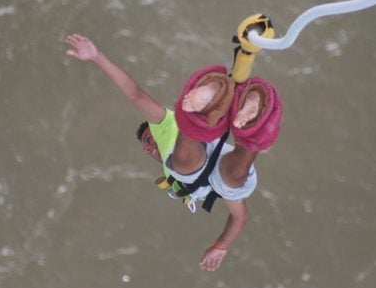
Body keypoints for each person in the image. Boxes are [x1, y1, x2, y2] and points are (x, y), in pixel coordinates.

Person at [65, 33, 282, 271]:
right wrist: (220, 245)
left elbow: (134, 94)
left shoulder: (163, 125)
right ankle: (253, 106)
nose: (149, 147)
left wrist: (97, 57)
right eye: (146, 148)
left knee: (181, 162)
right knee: (234, 178)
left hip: (195, 150)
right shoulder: (204, 183)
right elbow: (240, 217)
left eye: (148, 140)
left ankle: (205, 101)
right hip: (218, 172)